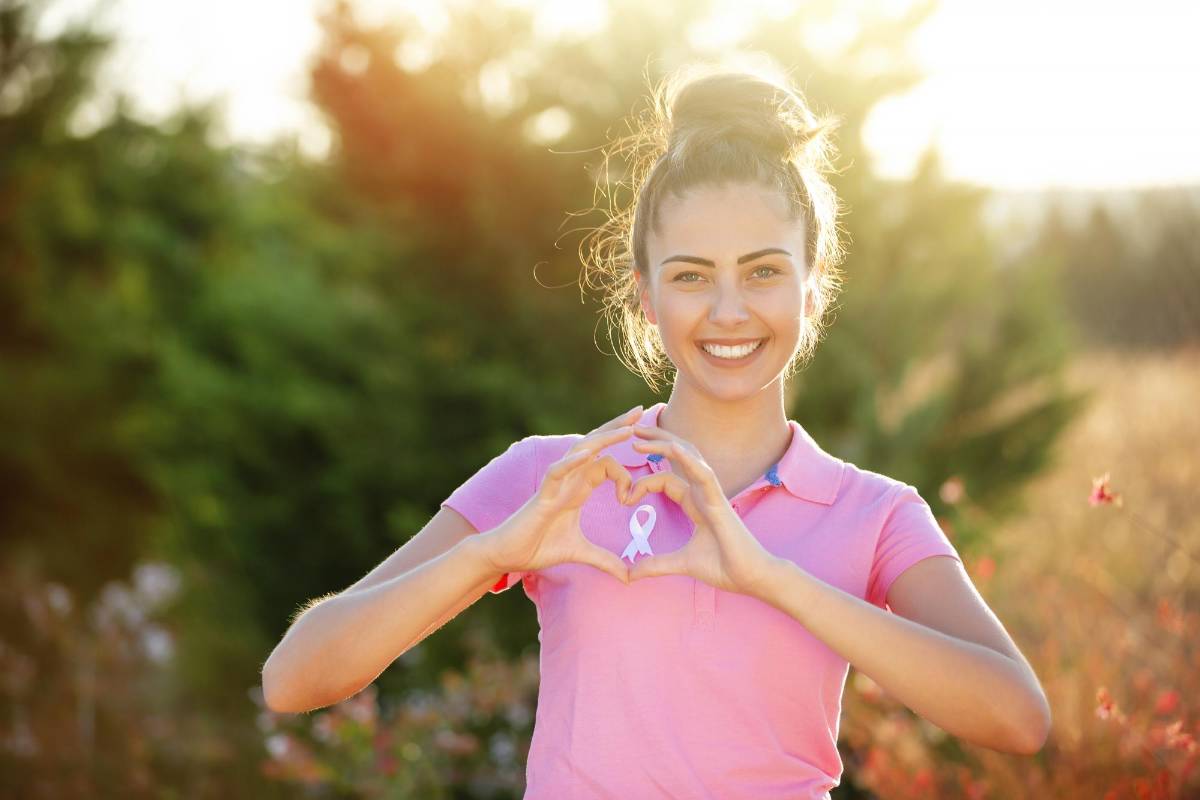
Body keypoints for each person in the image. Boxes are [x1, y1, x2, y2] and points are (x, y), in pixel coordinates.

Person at [261, 59, 1051, 798]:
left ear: (814, 288)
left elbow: (1017, 717)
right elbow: (295, 679)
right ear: (646, 295)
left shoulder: (875, 515)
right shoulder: (556, 478)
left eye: (765, 271)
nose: (729, 309)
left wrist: (772, 579)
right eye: (691, 276)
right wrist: (491, 554)